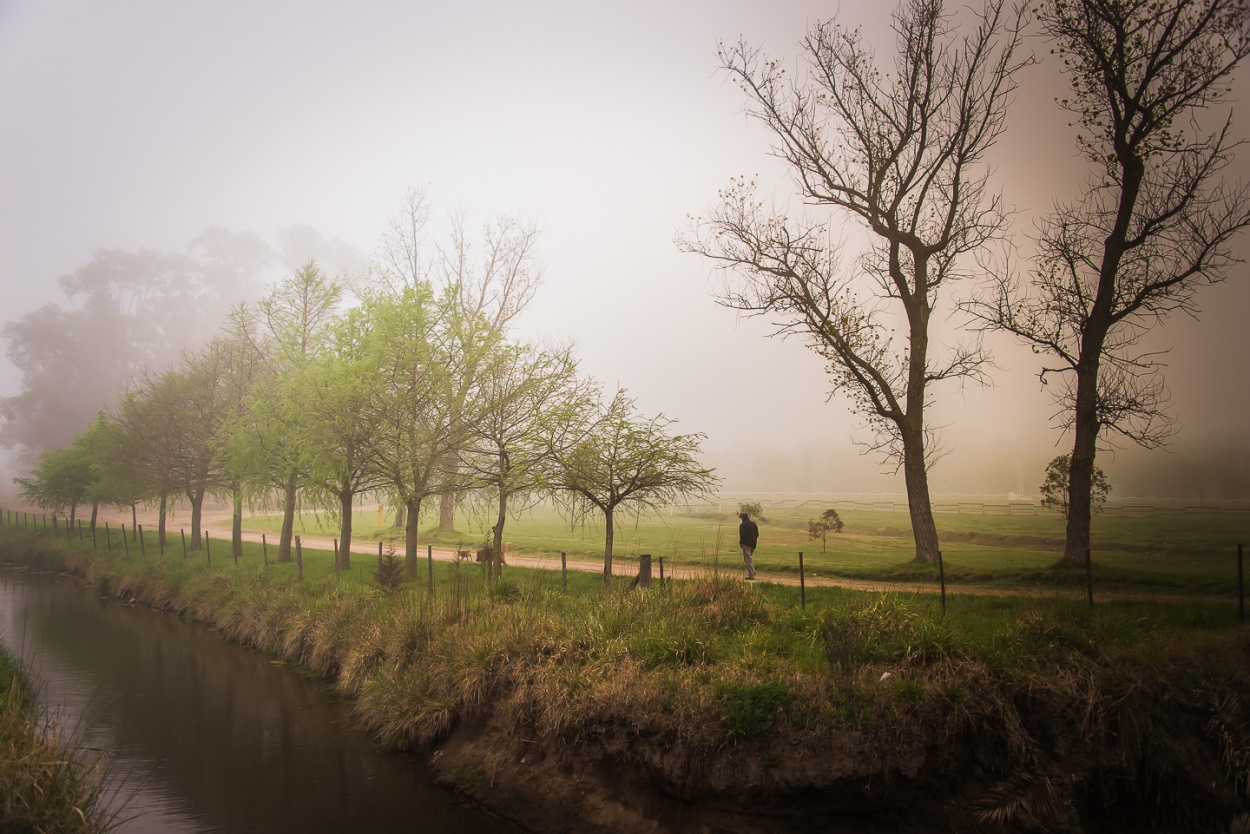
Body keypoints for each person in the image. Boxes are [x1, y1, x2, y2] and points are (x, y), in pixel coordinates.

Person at [738, 511, 759, 581]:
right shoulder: (753, 524)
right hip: (753, 544)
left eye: (741, 518)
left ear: (743, 517)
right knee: (749, 559)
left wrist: (741, 543)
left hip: (746, 544)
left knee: (747, 560)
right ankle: (753, 571)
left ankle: (751, 575)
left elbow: (742, 536)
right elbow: (757, 534)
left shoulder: (742, 525)